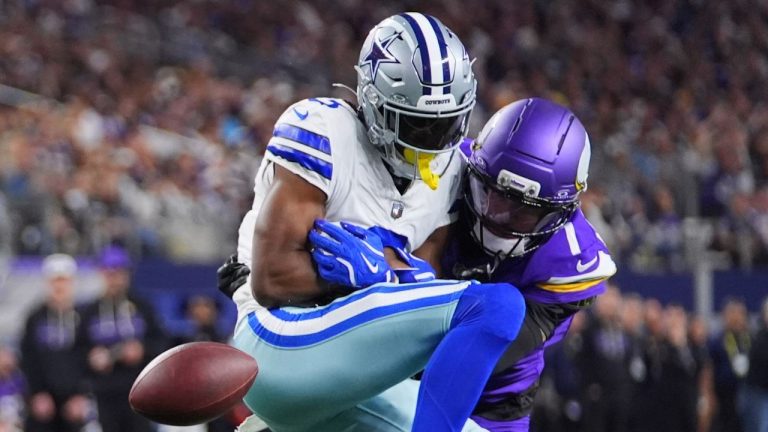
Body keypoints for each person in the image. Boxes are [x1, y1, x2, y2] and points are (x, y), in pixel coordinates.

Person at [223, 12, 526, 432]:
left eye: (445, 125)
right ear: (374, 102)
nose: (433, 142)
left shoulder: (451, 171)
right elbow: (272, 279)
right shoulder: (325, 129)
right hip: (282, 341)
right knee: (497, 306)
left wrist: (383, 274)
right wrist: (385, 275)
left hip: (361, 373)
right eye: (417, 124)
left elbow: (419, 292)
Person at [301, 97, 618, 431]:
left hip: (493, 398)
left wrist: (395, 281)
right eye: (489, 192)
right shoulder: (447, 167)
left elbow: (481, 346)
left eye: (522, 211)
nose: (495, 215)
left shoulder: (572, 260)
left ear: (560, 212)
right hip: (391, 360)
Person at [76, 246, 168, 432]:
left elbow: (162, 343)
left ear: (127, 275)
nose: (114, 279)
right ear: (102, 274)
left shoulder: (143, 307)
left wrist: (142, 349)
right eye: (110, 273)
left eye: (119, 273)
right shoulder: (89, 311)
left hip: (139, 391)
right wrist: (91, 357)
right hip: (105, 392)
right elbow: (76, 351)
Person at [20, 254, 90, 432]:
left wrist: (82, 394)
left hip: (74, 401)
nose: (59, 286)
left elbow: (87, 357)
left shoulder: (84, 317)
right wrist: (37, 393)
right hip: (43, 401)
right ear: (47, 283)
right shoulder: (35, 318)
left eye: (63, 280)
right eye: (55, 281)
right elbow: (28, 358)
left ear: (72, 282)